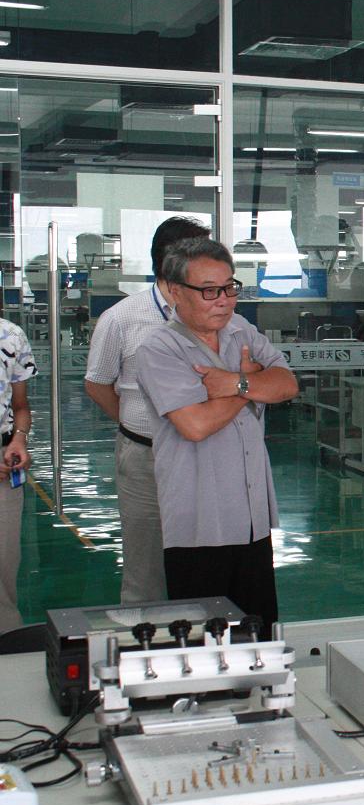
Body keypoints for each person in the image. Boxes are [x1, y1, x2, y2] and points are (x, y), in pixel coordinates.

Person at [137, 238, 298, 628]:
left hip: (251, 518)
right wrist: (251, 383)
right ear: (175, 291)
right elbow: (195, 425)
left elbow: (287, 385)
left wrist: (233, 383)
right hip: (199, 523)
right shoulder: (159, 349)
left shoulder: (240, 331)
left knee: (258, 631)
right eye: (209, 291)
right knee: (204, 637)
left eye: (229, 288)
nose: (223, 300)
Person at [84, 216, 211, 603]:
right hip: (145, 456)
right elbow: (97, 383)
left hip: (205, 453)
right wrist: (138, 424)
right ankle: (145, 636)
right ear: (173, 263)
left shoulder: (215, 315)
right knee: (145, 566)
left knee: (207, 556)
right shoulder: (122, 318)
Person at [0, 318, 35, 632]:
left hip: (3, 464)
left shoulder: (10, 336)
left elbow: (20, 406)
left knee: (4, 563)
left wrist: (18, 440)